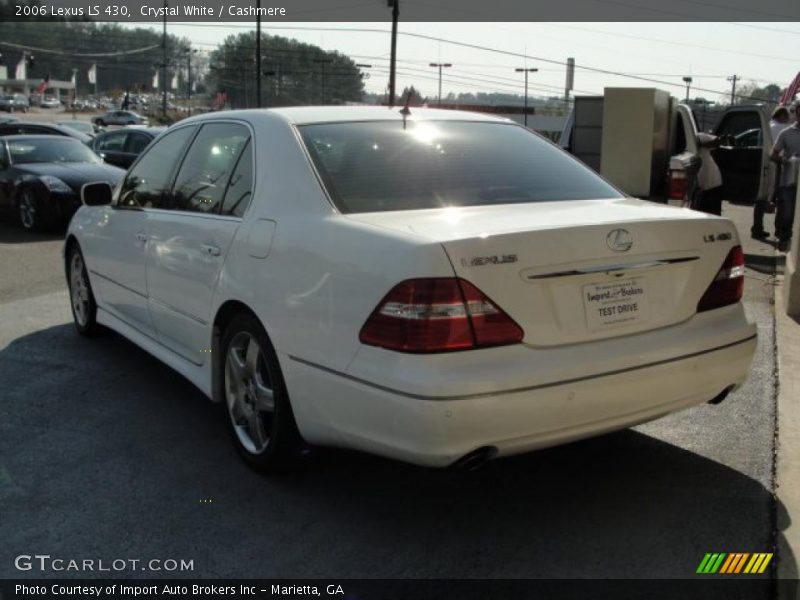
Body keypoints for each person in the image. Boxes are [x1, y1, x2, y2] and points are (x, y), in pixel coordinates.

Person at [753, 107, 793, 239]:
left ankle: (757, 228)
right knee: (781, 198)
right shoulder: (782, 129)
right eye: (786, 117)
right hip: (778, 165)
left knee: (761, 198)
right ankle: (779, 230)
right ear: (781, 116)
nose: (787, 120)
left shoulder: (766, 127)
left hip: (763, 165)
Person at [770, 104, 800, 252]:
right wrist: (785, 160)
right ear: (796, 114)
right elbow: (773, 154)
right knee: (787, 214)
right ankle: (784, 241)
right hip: (789, 180)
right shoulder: (786, 133)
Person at [694, 132, 724, 215]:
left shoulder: (698, 136)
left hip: (713, 183)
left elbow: (717, 141)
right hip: (699, 187)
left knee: (713, 216)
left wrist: (699, 143)